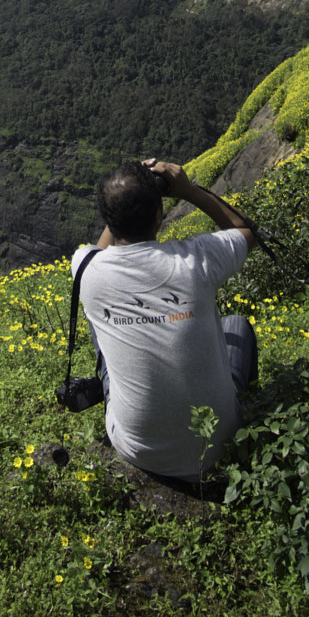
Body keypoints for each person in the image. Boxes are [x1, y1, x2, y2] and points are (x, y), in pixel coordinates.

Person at [71, 157, 259, 483]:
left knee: (98, 314)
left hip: (138, 449)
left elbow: (98, 254)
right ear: (159, 216)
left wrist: (121, 204)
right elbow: (246, 231)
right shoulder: (196, 259)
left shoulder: (86, 269)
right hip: (219, 444)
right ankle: (247, 413)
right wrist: (188, 191)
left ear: (109, 221)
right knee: (237, 325)